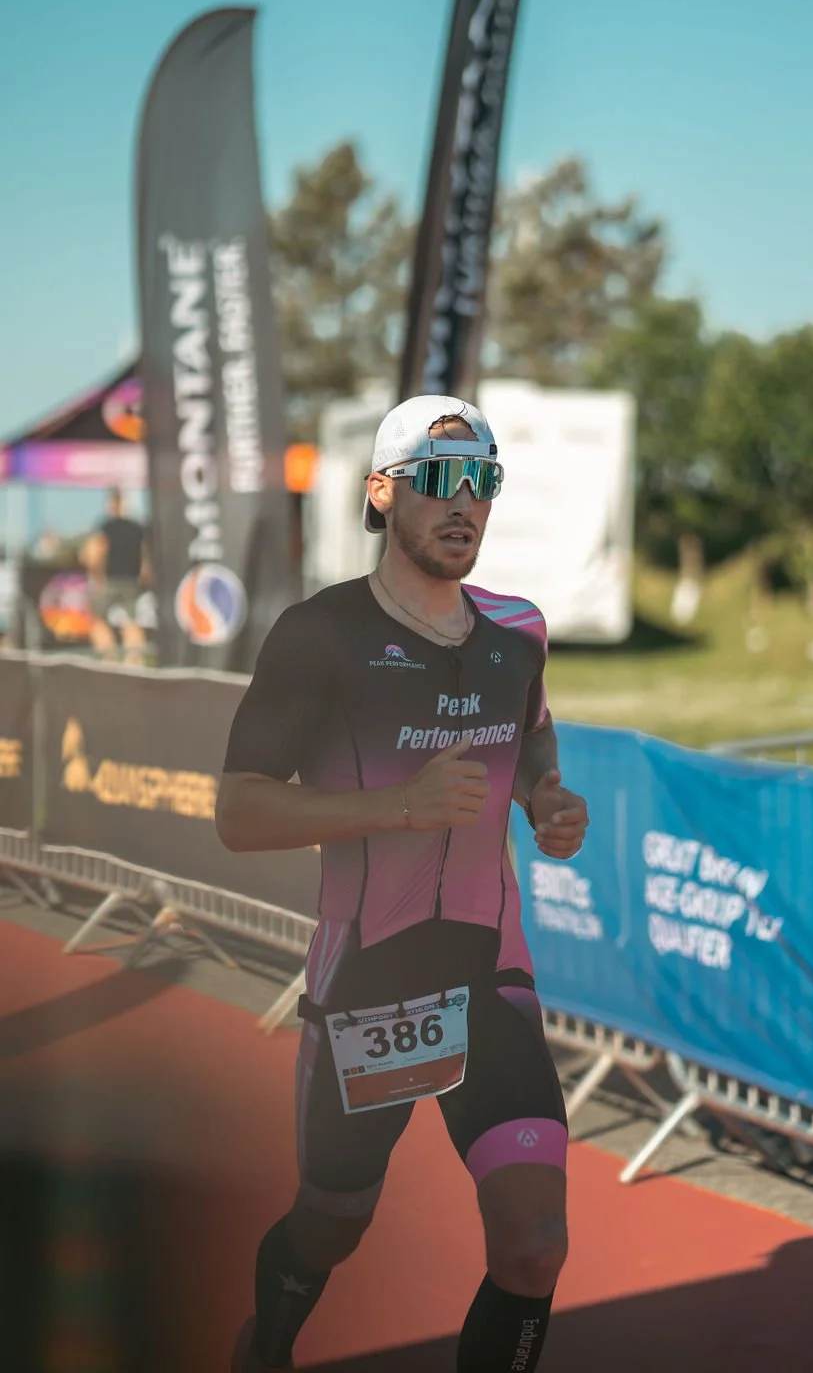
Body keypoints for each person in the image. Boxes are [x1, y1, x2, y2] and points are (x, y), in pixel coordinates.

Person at [218, 395, 589, 1372]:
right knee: (331, 1225)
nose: (462, 503)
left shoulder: (519, 630)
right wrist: (395, 807)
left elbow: (529, 742)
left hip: (488, 977)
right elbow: (240, 813)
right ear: (382, 493)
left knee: (533, 1245)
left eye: (482, 482)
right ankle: (267, 1351)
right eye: (436, 481)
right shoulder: (319, 633)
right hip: (369, 990)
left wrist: (546, 800)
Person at [78, 490, 149, 664]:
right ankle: (134, 659)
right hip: (132, 582)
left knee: (95, 616)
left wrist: (96, 577)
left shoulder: (106, 527)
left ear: (111, 504)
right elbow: (145, 559)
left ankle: (108, 656)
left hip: (110, 581)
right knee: (131, 620)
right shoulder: (137, 528)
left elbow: (91, 554)